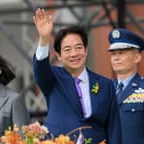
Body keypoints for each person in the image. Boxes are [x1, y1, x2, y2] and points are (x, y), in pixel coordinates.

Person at [32, 8, 122, 144]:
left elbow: (113, 128)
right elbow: (40, 67)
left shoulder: (105, 84)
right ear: (59, 56)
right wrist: (44, 39)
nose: (74, 54)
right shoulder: (52, 78)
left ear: (86, 51)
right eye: (67, 49)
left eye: (78, 48)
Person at [108, 28, 144, 144]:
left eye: (121, 53)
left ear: (137, 57)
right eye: (113, 54)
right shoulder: (106, 88)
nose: (116, 58)